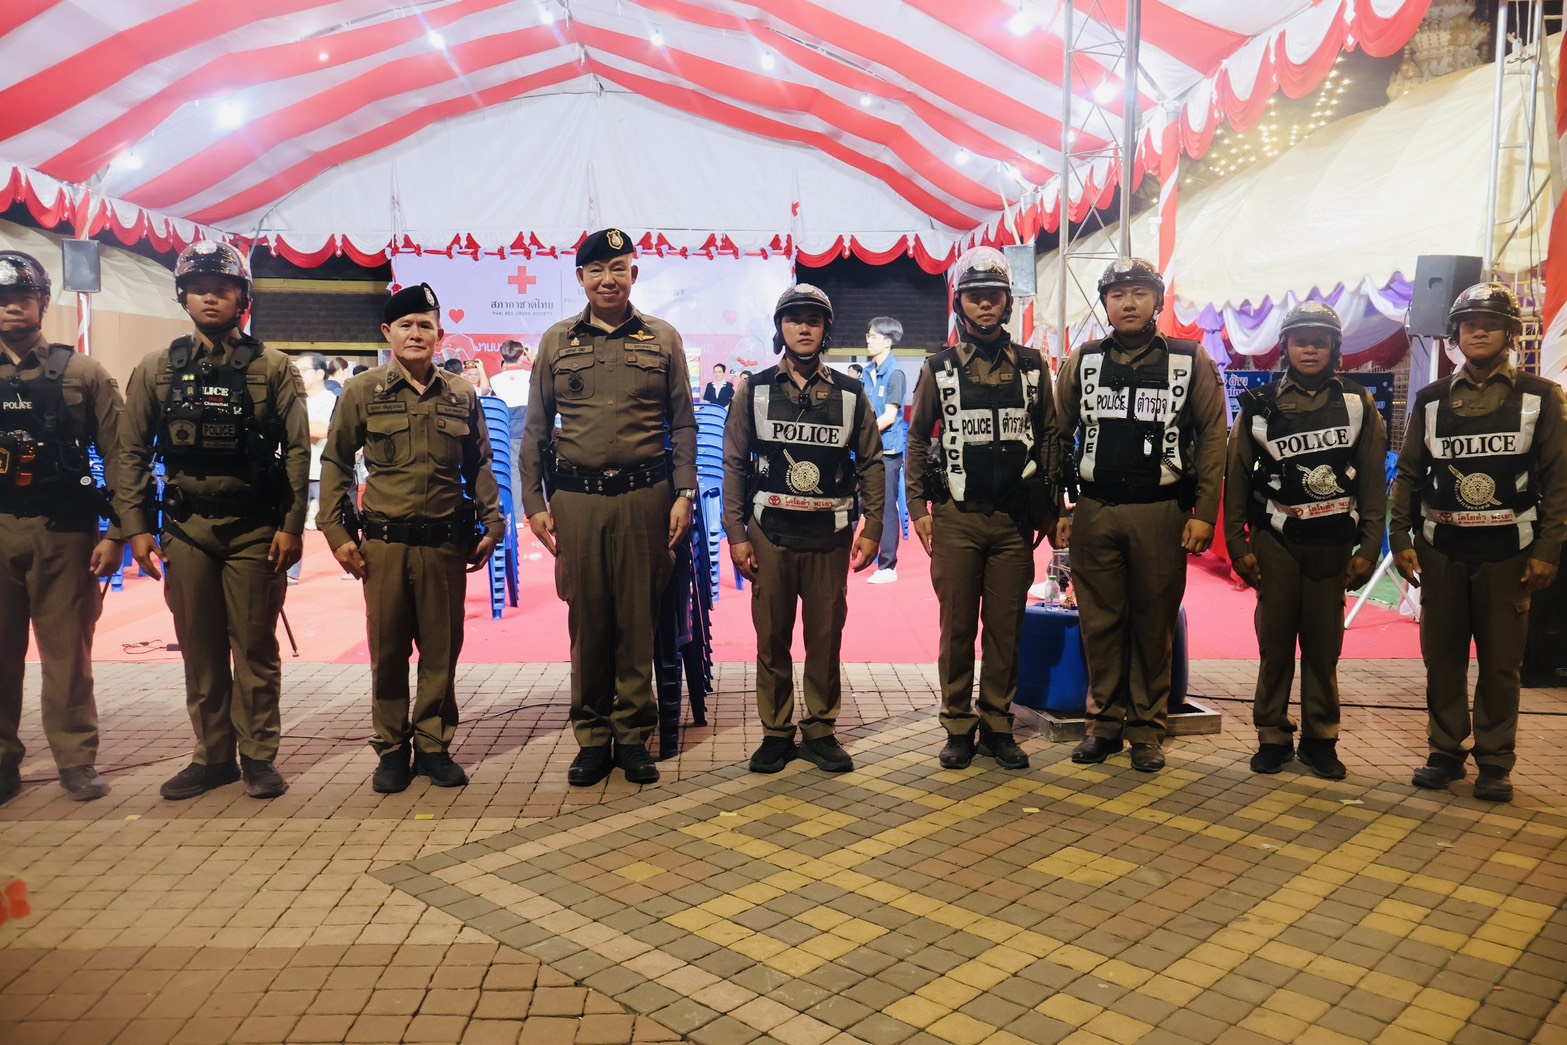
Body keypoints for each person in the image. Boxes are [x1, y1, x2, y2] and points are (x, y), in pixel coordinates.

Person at [117, 240, 309, 800]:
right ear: (183, 296)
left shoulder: (274, 368)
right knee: (200, 651)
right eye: (199, 288)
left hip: (255, 529)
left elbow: (298, 452)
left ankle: (259, 758)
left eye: (222, 289)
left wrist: (292, 525)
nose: (210, 297)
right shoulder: (156, 369)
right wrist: (135, 527)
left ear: (242, 298)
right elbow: (131, 452)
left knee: (254, 649)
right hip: (187, 529)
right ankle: (213, 757)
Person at [519, 228, 697, 787]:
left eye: (618, 268)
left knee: (638, 621)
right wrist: (534, 502)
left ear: (633, 274)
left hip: (646, 498)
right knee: (589, 621)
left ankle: (633, 736)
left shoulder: (663, 338)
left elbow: (683, 424)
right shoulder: (556, 341)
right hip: (578, 502)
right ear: (581, 278)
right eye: (596, 270)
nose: (608, 279)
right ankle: (593, 738)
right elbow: (535, 429)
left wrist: (685, 493)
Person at [317, 283, 504, 793]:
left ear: (439, 334)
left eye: (426, 325)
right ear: (388, 332)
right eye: (406, 325)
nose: (416, 333)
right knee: (389, 649)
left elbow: (480, 464)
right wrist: (336, 531)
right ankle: (393, 749)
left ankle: (434, 746)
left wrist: (493, 522)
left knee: (441, 650)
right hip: (385, 546)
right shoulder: (363, 391)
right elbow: (335, 461)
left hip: (445, 545)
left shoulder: (461, 393)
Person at [1391, 282, 1567, 803]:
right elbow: (1408, 475)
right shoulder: (1430, 399)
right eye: (1470, 324)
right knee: (1441, 659)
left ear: (1510, 333)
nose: (1480, 332)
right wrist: (1399, 535)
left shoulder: (1542, 397)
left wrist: (1549, 549)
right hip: (1441, 551)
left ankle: (1494, 761)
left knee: (1501, 664)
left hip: (1509, 554)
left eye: (1492, 324)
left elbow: (1559, 482)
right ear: (1456, 334)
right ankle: (1445, 752)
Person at [1055, 258, 1227, 773]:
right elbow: (1056, 435)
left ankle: (1147, 731)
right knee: (1099, 624)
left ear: (1156, 300)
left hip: (1161, 512)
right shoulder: (1083, 360)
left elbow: (1213, 437)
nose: (1127, 303)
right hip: (1095, 511)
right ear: (1105, 304)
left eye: (1139, 293)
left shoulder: (1190, 359)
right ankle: (1103, 726)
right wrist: (1057, 505)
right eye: (1117, 295)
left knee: (1154, 625)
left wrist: (1205, 512)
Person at [906, 247, 1061, 771]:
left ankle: (997, 725)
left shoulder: (1034, 367)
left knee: (1005, 629)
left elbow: (1050, 438)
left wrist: (1049, 509)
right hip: (957, 518)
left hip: (1014, 522)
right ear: (960, 304)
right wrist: (917, 507)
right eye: (975, 297)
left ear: (1008, 302)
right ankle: (957, 726)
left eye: (994, 295)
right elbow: (915, 438)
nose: (985, 305)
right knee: (956, 630)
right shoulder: (939, 368)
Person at [1224, 302, 1388, 780]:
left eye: (1319, 341)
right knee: (1275, 645)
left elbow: (1373, 480)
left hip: (1333, 546)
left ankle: (1320, 740)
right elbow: (1237, 478)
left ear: (1334, 347)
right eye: (1301, 341)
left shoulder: (1358, 402)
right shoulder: (1258, 404)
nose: (1310, 349)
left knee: (1323, 648)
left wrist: (1369, 547)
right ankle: (1272, 736)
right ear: (1286, 346)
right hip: (1276, 542)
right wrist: (1238, 545)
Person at [724, 285, 883, 774]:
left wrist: (874, 527)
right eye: (794, 319)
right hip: (769, 537)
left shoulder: (851, 393)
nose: (804, 327)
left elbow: (872, 463)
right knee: (772, 639)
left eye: (814, 319)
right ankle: (776, 732)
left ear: (826, 329)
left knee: (825, 638)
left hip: (829, 540)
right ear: (781, 328)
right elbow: (734, 464)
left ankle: (820, 731)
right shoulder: (754, 390)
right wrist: (736, 534)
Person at [0, 251, 124, 805]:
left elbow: (120, 454)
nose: (11, 308)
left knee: (68, 655)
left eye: (22, 297)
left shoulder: (83, 373)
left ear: (43, 303)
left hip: (66, 532)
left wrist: (119, 531)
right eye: (2, 299)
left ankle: (75, 760)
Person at [862, 316, 908, 584]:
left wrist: (863, 435)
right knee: (858, 502)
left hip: (888, 451)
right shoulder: (867, 371)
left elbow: (890, 416)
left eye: (873, 336)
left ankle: (888, 565)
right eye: (868, 335)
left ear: (888, 342)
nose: (868, 340)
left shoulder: (895, 373)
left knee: (887, 507)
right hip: (866, 450)